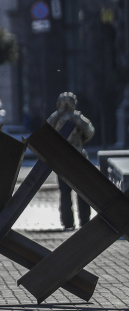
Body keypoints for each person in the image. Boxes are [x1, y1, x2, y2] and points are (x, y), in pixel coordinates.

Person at [47, 92, 95, 230]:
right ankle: (81, 221)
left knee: (70, 191)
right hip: (71, 157)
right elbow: (89, 132)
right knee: (76, 191)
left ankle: (71, 222)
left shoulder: (61, 117)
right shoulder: (71, 117)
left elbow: (89, 131)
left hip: (67, 158)